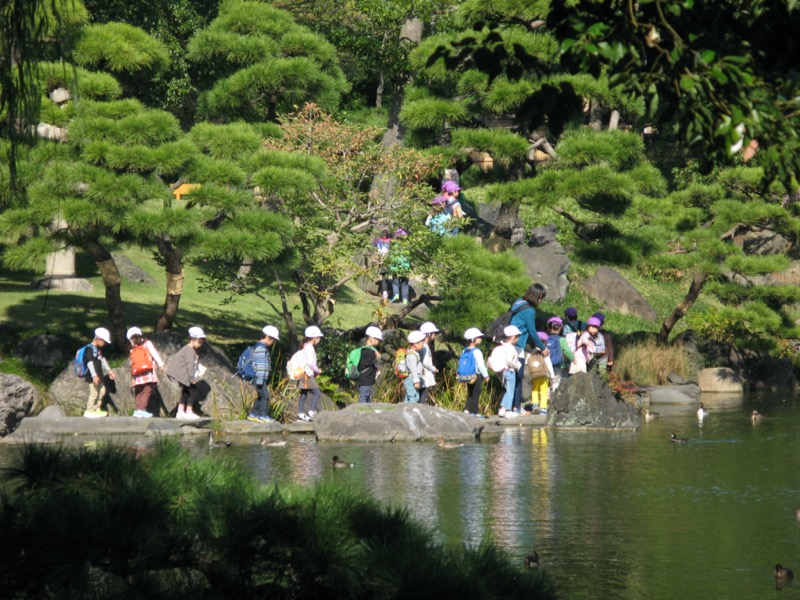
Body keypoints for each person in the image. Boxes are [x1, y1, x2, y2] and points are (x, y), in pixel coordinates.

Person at [509, 283, 549, 413]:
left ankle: (509, 407)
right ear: (536, 296)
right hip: (517, 346)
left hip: (508, 343)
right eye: (540, 297)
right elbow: (532, 332)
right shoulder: (529, 311)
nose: (541, 301)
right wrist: (543, 348)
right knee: (518, 377)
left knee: (510, 376)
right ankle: (515, 408)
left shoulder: (518, 302)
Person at [166, 326, 207, 420]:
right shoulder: (190, 351)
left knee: (186, 392)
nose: (201, 344)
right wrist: (192, 378)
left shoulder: (186, 349)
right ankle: (188, 411)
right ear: (194, 340)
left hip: (181, 375)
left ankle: (180, 412)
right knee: (193, 391)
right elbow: (190, 366)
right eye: (200, 342)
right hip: (183, 375)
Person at [127, 327, 165, 418]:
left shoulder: (132, 349)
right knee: (147, 390)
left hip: (137, 374)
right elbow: (154, 354)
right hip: (147, 372)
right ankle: (142, 410)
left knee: (139, 391)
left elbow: (131, 363)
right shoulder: (147, 344)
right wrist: (161, 364)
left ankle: (137, 410)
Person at [488, 325, 523, 418]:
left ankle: (502, 409)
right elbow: (509, 361)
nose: (518, 338)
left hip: (501, 372)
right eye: (517, 336)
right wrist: (517, 366)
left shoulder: (501, 346)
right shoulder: (511, 348)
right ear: (512, 337)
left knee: (507, 391)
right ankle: (508, 411)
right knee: (510, 392)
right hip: (509, 370)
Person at [247, 325, 280, 423]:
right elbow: (261, 366)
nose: (273, 342)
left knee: (261, 396)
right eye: (273, 340)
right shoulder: (261, 349)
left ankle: (253, 414)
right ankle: (262, 415)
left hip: (258, 379)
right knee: (265, 396)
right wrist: (261, 380)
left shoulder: (260, 347)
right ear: (268, 337)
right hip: (258, 379)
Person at [82, 327, 115, 418]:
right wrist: (94, 375)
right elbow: (90, 363)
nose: (104, 344)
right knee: (94, 393)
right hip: (93, 377)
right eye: (104, 341)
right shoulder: (89, 349)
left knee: (102, 390)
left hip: (99, 376)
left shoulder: (96, 350)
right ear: (99, 339)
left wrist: (109, 370)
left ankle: (97, 408)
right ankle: (90, 410)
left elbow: (102, 360)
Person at [296, 326, 324, 421]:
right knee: (317, 392)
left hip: (302, 374)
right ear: (315, 338)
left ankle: (300, 413)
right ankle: (311, 411)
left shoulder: (304, 346)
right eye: (319, 337)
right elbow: (311, 363)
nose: (319, 339)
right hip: (307, 375)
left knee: (303, 393)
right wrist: (317, 370)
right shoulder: (310, 348)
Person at [462, 328, 490, 418]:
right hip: (476, 375)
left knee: (470, 392)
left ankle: (466, 410)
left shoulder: (464, 350)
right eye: (479, 337)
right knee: (476, 392)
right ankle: (474, 412)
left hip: (466, 375)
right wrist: (486, 375)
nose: (481, 339)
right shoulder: (477, 351)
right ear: (474, 339)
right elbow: (481, 365)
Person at [545, 316, 575, 387]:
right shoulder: (562, 339)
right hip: (558, 365)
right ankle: (554, 395)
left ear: (548, 327)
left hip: (545, 364)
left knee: (546, 382)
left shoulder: (545, 338)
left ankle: (546, 396)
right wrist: (573, 359)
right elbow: (567, 351)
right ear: (561, 328)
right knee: (556, 382)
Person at [529, 332, 554, 415]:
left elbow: (528, 364)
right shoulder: (545, 352)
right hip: (544, 376)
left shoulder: (531, 352)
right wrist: (552, 375)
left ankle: (535, 405)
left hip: (534, 376)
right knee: (544, 392)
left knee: (535, 390)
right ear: (545, 342)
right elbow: (549, 364)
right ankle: (543, 409)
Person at [357, 326, 383, 403]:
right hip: (366, 379)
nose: (379, 342)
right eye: (378, 339)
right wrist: (376, 358)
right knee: (364, 397)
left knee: (367, 397)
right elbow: (366, 363)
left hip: (366, 379)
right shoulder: (369, 351)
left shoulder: (365, 349)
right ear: (372, 339)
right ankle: (361, 413)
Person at [419, 321, 440, 404]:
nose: (434, 335)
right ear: (429, 334)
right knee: (423, 396)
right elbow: (426, 362)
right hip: (425, 376)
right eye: (433, 333)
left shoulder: (421, 345)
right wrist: (434, 369)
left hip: (420, 375)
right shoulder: (425, 347)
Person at [388, 230, 411, 304]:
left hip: (396, 269)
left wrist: (391, 268)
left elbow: (392, 258)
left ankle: (396, 295)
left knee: (395, 283)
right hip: (405, 269)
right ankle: (405, 299)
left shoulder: (395, 247)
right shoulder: (407, 247)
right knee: (405, 284)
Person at [403, 330, 426, 403]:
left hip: (412, 379)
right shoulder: (412, 355)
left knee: (408, 398)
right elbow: (413, 369)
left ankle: (403, 412)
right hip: (411, 379)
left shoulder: (414, 353)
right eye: (422, 342)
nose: (423, 344)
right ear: (416, 343)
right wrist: (416, 381)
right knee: (414, 398)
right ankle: (411, 412)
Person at [373, 229, 392, 302]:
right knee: (384, 277)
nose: (383, 236)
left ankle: (389, 293)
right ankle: (385, 294)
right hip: (382, 261)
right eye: (383, 235)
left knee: (389, 278)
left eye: (385, 235)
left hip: (388, 261)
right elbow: (378, 250)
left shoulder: (390, 242)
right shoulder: (379, 241)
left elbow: (389, 251)